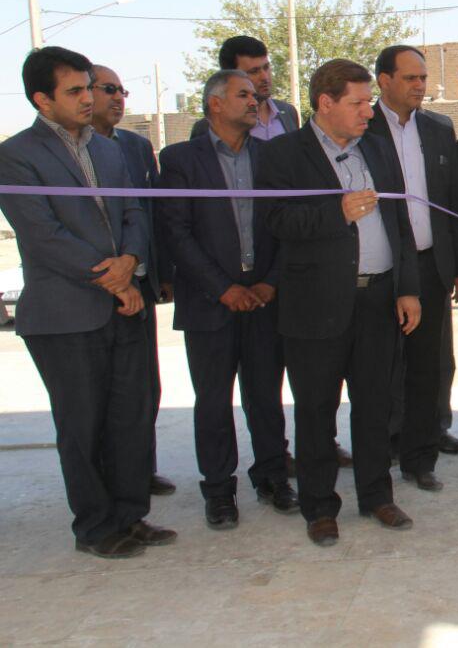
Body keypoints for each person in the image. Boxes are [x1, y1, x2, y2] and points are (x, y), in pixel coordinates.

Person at [0, 46, 175, 558]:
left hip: (125, 303)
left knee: (129, 417)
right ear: (42, 99)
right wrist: (116, 279)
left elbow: (135, 212)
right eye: (74, 91)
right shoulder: (17, 155)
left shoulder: (109, 150)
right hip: (66, 315)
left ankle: (130, 515)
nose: (88, 99)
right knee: (83, 426)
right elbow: (42, 235)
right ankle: (96, 528)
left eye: (88, 88)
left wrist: (132, 261)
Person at [256, 59, 422, 545]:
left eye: (368, 102)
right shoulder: (284, 154)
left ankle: (377, 495)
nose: (368, 111)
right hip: (316, 305)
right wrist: (337, 212)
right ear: (325, 103)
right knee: (316, 410)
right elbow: (276, 221)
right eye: (358, 102)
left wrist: (408, 288)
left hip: (379, 299)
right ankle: (320, 507)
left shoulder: (377, 147)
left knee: (374, 405)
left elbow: (401, 224)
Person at [157, 70, 296, 529]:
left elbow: (285, 224)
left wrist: (270, 282)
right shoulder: (180, 159)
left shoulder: (271, 156)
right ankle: (219, 491)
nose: (255, 101)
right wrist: (223, 288)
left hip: (264, 300)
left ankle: (273, 477)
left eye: (255, 95)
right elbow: (176, 232)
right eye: (243, 95)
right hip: (209, 303)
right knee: (214, 402)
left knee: (266, 397)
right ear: (215, 104)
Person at [367, 45, 458, 491]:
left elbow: (454, 203)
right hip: (381, 268)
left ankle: (419, 456)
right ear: (384, 81)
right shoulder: (361, 126)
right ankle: (381, 448)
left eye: (423, 78)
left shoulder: (438, 128)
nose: (420, 85)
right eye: (410, 78)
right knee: (379, 365)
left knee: (428, 365)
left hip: (431, 266)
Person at [90, 64, 176, 495]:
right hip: (92, 287)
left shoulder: (136, 146)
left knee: (144, 386)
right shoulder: (63, 152)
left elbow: (150, 212)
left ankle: (140, 470)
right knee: (99, 395)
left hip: (139, 282)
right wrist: (115, 272)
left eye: (122, 91)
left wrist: (157, 271)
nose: (118, 98)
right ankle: (106, 480)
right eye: (109, 89)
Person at [190, 35, 301, 141]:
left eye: (266, 67)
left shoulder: (288, 112)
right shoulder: (207, 128)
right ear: (229, 75)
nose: (265, 77)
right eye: (254, 71)